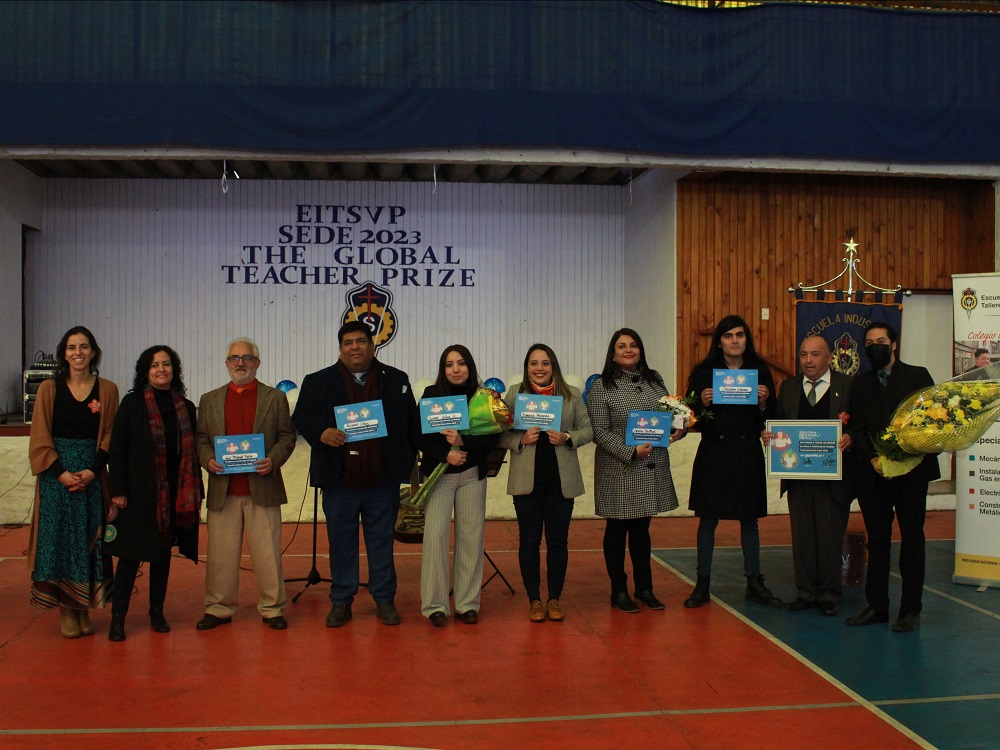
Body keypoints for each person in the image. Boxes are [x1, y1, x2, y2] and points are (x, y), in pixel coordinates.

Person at [292, 321, 419, 628]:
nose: (355, 347)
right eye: (348, 342)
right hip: (339, 480)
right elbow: (301, 417)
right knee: (341, 542)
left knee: (381, 542)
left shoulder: (396, 380)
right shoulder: (317, 381)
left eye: (360, 341)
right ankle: (341, 601)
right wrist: (321, 433)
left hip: (382, 479)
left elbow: (411, 424)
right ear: (340, 348)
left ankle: (384, 599)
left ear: (372, 345)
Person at [194, 337, 297, 631]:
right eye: (234, 358)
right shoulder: (209, 399)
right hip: (223, 490)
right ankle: (219, 608)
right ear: (227, 363)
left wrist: (273, 460)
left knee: (267, 554)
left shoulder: (274, 399)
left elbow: (286, 437)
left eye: (247, 358)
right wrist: (208, 459)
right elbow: (201, 439)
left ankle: (273, 608)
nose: (241, 363)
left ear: (258, 362)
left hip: (262, 488)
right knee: (220, 556)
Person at [846, 321, 940, 632]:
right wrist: (872, 459)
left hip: (913, 473)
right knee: (879, 541)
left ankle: (910, 609)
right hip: (875, 476)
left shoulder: (918, 376)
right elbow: (856, 429)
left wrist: (914, 452)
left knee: (912, 539)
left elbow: (934, 421)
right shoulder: (860, 385)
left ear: (894, 345)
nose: (876, 346)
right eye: (870, 343)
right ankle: (877, 606)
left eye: (882, 341)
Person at [683, 314, 781, 609]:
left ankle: (754, 581)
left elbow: (772, 417)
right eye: (728, 336)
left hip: (747, 451)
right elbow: (686, 415)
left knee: (749, 520)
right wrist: (701, 402)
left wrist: (764, 402)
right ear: (720, 341)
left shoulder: (760, 371)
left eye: (740, 335)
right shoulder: (704, 372)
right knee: (708, 519)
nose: (735, 340)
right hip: (714, 452)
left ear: (746, 339)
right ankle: (702, 584)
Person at [105, 345, 201, 641]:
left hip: (173, 495)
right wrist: (118, 490)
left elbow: (191, 453)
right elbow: (117, 448)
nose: (162, 369)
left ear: (175, 369)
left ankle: (156, 612)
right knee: (130, 557)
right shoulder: (132, 404)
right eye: (155, 365)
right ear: (145, 371)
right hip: (137, 495)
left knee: (162, 556)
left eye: (167, 364)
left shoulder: (185, 406)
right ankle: (118, 617)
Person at [27, 326, 118, 639]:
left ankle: (83, 608)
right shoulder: (49, 390)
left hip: (91, 478)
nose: (77, 353)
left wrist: (93, 471)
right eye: (71, 347)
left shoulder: (107, 390)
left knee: (88, 544)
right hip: (58, 480)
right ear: (63, 353)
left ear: (93, 351)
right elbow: (40, 435)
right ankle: (67, 612)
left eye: (84, 346)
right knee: (62, 544)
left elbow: (109, 435)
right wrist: (61, 472)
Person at [586, 328, 681, 613]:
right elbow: (598, 431)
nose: (629, 350)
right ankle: (618, 590)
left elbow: (671, 416)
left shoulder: (656, 380)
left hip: (651, 466)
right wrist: (630, 451)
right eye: (622, 346)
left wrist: (678, 430)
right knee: (617, 528)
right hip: (619, 468)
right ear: (612, 354)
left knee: (642, 529)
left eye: (633, 345)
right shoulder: (602, 385)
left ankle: (645, 588)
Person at [500, 344, 593, 622]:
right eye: (533, 363)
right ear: (527, 367)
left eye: (545, 363)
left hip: (560, 482)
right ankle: (534, 599)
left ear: (554, 366)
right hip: (526, 482)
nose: (539, 368)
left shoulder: (571, 395)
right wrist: (519, 440)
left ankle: (554, 598)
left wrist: (567, 437)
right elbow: (498, 432)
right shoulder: (515, 394)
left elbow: (587, 429)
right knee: (528, 541)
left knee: (558, 542)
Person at [765, 335, 853, 616]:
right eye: (803, 355)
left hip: (833, 479)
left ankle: (828, 593)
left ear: (829, 358)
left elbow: (861, 426)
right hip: (798, 476)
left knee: (830, 536)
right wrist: (770, 436)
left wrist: (851, 438)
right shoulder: (789, 387)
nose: (808, 361)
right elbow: (779, 425)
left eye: (815, 355)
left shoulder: (847, 387)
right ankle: (805, 591)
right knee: (802, 537)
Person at [418, 345, 500, 626]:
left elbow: (493, 437)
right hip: (438, 477)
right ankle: (435, 606)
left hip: (472, 476)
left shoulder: (484, 398)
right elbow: (416, 436)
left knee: (471, 539)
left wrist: (464, 442)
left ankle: (467, 603)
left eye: (461, 363)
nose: (456, 370)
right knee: (435, 540)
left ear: (470, 367)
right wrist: (446, 453)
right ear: (443, 370)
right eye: (449, 365)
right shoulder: (431, 396)